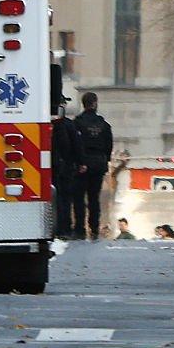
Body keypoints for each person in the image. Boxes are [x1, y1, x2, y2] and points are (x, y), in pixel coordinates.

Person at [74, 92, 114, 240]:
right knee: (94, 198)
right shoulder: (103, 124)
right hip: (98, 163)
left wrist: (79, 162)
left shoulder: (77, 123)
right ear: (95, 103)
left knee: (79, 197)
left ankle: (79, 228)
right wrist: (106, 160)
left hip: (81, 164)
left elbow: (75, 144)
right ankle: (94, 228)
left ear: (83, 104)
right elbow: (109, 144)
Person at [51, 99, 88, 240]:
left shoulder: (49, 124)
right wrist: (81, 162)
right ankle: (65, 228)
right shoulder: (69, 125)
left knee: (56, 198)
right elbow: (77, 146)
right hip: (66, 167)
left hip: (52, 166)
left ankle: (57, 228)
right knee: (66, 198)